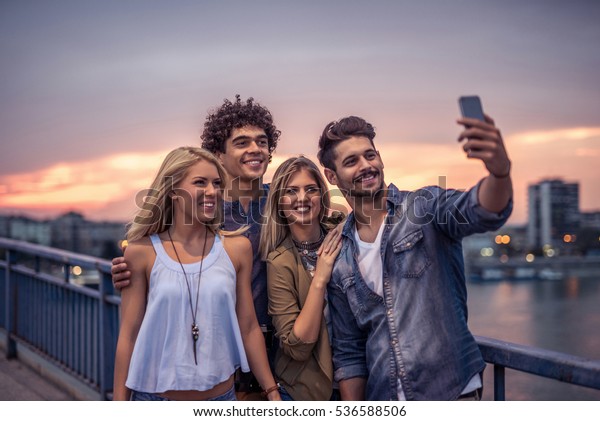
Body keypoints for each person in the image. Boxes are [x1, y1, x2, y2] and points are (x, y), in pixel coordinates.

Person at [317, 114, 513, 400]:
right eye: (351, 161)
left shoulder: (425, 208)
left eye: (370, 155)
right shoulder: (340, 254)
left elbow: (480, 210)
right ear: (331, 176)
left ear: (380, 158)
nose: (366, 166)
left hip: (451, 393)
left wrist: (499, 173)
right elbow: (350, 354)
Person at [112, 95, 281, 399]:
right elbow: (133, 329)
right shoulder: (198, 214)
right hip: (211, 364)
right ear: (218, 153)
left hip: (273, 356)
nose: (255, 149)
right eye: (242, 142)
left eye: (262, 142)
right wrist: (131, 273)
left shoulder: (287, 205)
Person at [259, 156, 344, 400]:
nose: (302, 198)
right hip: (304, 391)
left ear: (322, 195)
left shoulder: (344, 236)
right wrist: (319, 280)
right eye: (291, 191)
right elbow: (297, 346)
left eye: (310, 189)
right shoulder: (279, 261)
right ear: (279, 202)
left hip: (360, 380)